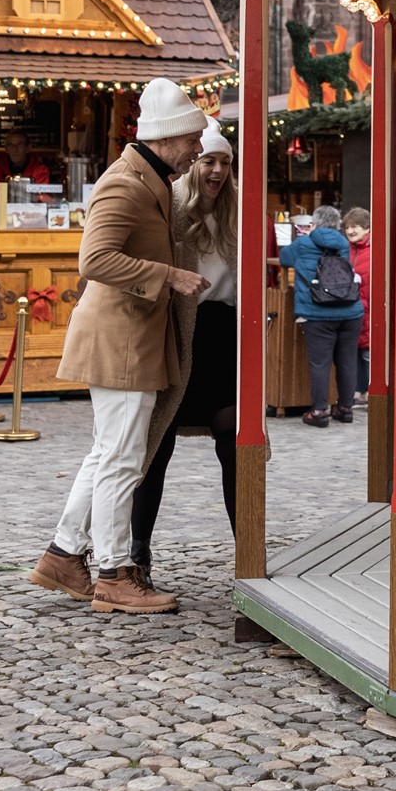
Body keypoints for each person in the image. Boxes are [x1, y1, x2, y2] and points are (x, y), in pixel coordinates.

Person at [29, 78, 209, 615]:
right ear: (170, 138)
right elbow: (94, 259)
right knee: (123, 460)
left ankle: (63, 555)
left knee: (109, 454)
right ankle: (112, 572)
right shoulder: (126, 183)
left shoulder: (146, 177)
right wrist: (168, 276)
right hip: (123, 341)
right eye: (193, 140)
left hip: (129, 338)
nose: (198, 150)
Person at [131, 121, 239, 582]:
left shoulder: (239, 214)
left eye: (225, 162)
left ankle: (248, 547)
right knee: (156, 445)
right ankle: (138, 553)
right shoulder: (169, 206)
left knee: (237, 440)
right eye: (208, 160)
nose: (216, 170)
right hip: (177, 332)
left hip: (224, 337)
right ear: (193, 163)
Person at [278, 205, 364, 427]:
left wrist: (305, 236)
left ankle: (318, 411)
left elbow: (284, 258)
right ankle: (345, 409)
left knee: (320, 364)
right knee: (346, 361)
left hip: (317, 312)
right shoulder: (343, 243)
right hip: (349, 310)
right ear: (337, 224)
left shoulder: (304, 243)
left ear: (314, 223)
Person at [343, 208, 372, 395]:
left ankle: (371, 392)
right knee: (355, 353)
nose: (350, 231)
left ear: (366, 227)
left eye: (355, 226)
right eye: (347, 227)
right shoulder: (346, 249)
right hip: (353, 308)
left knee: (369, 354)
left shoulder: (373, 250)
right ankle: (360, 392)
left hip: (368, 308)